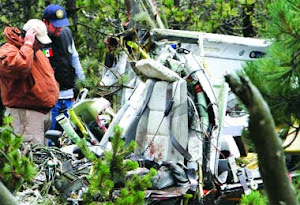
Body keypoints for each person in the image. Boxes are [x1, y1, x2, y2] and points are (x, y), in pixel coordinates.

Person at [0, 19, 59, 144]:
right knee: (32, 158)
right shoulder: (8, 50)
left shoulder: (35, 50)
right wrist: (28, 44)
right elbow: (19, 69)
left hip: (41, 113)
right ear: (29, 36)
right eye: (40, 42)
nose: (42, 46)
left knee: (43, 157)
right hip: (26, 115)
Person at [42, 4, 85, 132]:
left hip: (68, 97)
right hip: (50, 100)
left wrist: (83, 81)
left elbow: (75, 59)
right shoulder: (39, 39)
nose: (59, 28)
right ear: (45, 22)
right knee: (50, 136)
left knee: (69, 135)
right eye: (55, 25)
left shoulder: (66, 32)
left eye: (61, 24)